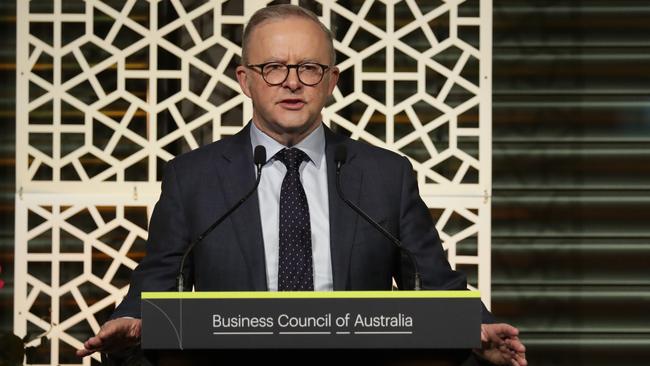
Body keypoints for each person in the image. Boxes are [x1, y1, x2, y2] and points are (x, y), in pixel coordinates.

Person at [77, 5, 526, 366]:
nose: (292, 82)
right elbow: (157, 283)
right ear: (245, 80)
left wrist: (475, 328)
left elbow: (435, 285)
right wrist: (132, 318)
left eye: (310, 68)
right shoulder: (192, 178)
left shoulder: (386, 175)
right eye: (272, 67)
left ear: (331, 81)